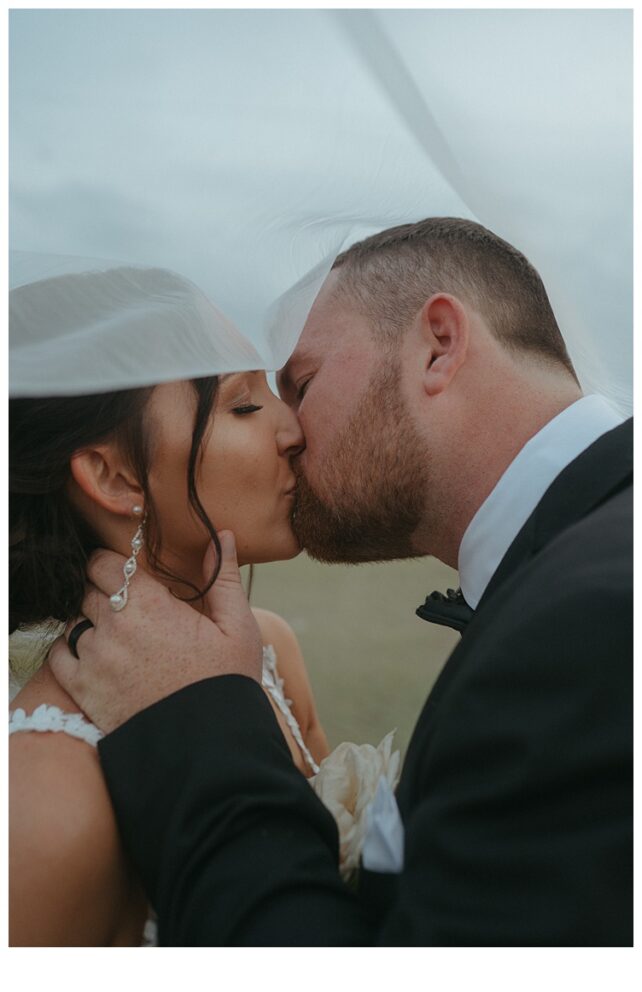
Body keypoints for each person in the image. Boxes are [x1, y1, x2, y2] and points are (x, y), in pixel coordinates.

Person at [51, 218, 632, 945]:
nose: (289, 431)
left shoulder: (591, 621)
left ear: (440, 346)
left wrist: (197, 722)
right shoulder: (586, 570)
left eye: (302, 382)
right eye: (248, 402)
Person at [9, 262, 341, 945]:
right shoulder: (41, 800)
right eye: (244, 405)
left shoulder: (270, 649)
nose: (294, 430)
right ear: (113, 475)